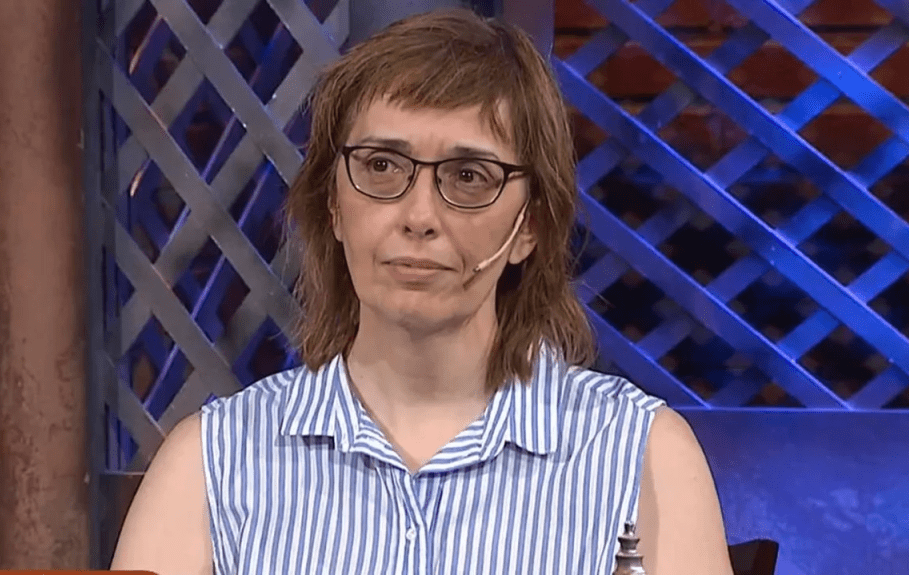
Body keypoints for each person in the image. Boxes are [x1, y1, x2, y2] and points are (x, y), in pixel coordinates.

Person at [111, 8, 732, 575]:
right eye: (382, 165)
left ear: (531, 226)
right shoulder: (210, 465)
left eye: (469, 176)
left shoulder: (641, 458)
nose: (419, 215)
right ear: (333, 203)